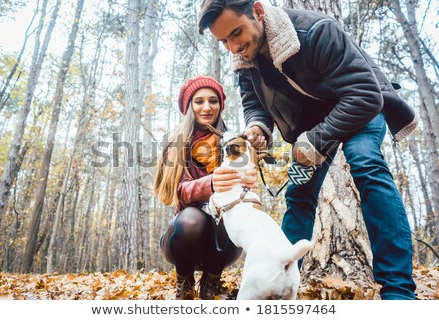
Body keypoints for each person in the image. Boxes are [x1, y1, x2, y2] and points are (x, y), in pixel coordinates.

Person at [198, 0, 417, 300]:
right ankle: (280, 278)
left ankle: (399, 293)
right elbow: (253, 104)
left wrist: (314, 140)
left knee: (365, 161)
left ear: (258, 12)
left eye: (236, 33)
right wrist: (258, 128)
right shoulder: (245, 61)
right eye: (223, 41)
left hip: (359, 106)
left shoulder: (315, 30)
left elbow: (365, 94)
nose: (233, 47)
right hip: (312, 125)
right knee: (299, 194)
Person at [154, 76, 257, 299]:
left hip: (224, 241)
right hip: (183, 236)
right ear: (189, 106)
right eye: (199, 101)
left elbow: (244, 192)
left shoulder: (234, 142)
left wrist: (247, 184)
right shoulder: (176, 143)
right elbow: (176, 190)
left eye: (213, 101)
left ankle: (212, 282)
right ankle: (185, 281)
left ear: (220, 105)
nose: (207, 107)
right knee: (192, 219)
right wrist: (211, 184)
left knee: (229, 218)